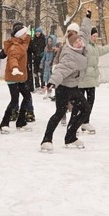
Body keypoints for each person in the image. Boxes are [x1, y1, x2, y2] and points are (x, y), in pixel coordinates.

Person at [40, 23, 89, 152]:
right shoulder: (69, 55)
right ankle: (46, 140)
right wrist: (51, 83)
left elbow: (85, 32)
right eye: (76, 42)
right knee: (59, 113)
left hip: (73, 86)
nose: (79, 42)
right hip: (63, 88)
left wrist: (87, 19)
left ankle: (70, 137)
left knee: (85, 109)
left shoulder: (81, 49)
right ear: (70, 45)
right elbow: (60, 70)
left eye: (79, 40)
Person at [77, 10, 109, 134]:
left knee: (90, 103)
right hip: (82, 79)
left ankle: (85, 122)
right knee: (79, 104)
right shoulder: (84, 45)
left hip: (91, 80)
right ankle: (74, 124)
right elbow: (83, 30)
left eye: (96, 36)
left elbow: (101, 51)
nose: (95, 38)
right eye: (93, 36)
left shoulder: (95, 47)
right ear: (89, 36)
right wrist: (87, 18)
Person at [0, 22, 34, 134]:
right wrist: (14, 68)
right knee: (14, 100)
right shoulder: (15, 47)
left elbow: (27, 39)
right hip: (13, 76)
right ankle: (4, 123)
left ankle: (21, 122)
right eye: (24, 34)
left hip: (20, 77)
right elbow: (13, 58)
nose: (26, 35)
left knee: (27, 97)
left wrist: (27, 30)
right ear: (19, 35)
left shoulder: (21, 43)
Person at [42, 34, 59, 99]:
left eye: (50, 41)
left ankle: (56, 94)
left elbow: (56, 58)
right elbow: (44, 56)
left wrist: (52, 63)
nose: (49, 42)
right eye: (48, 41)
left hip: (52, 67)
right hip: (46, 66)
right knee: (47, 80)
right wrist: (42, 62)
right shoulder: (46, 48)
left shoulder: (55, 49)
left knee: (53, 80)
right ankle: (49, 93)